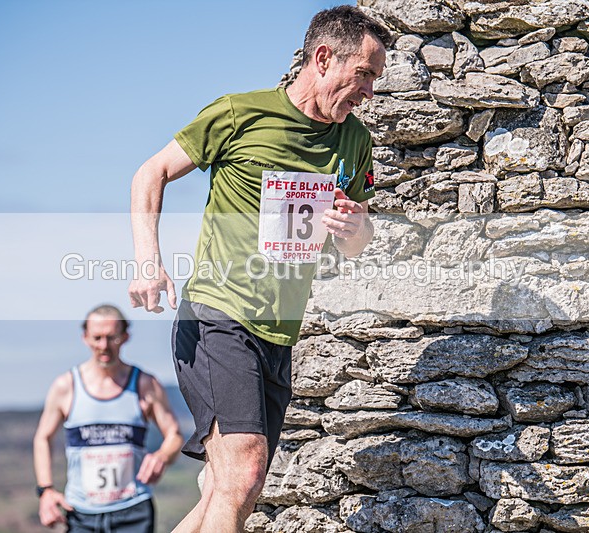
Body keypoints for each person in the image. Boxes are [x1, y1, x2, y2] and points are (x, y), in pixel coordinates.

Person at [128, 6, 391, 532]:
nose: (368, 92)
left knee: (229, 492)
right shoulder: (238, 114)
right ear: (322, 58)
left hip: (278, 333)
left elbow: (357, 245)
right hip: (217, 316)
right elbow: (150, 172)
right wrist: (147, 263)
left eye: (374, 80)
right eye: (363, 74)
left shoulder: (354, 141)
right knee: (243, 475)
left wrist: (355, 227)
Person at [33, 304, 184, 532]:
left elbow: (174, 434)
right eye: (97, 338)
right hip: (81, 513)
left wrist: (163, 456)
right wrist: (45, 491)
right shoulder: (67, 386)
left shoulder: (145, 385)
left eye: (111, 338)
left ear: (125, 337)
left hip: (134, 510)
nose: (104, 346)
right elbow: (42, 438)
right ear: (85, 337)